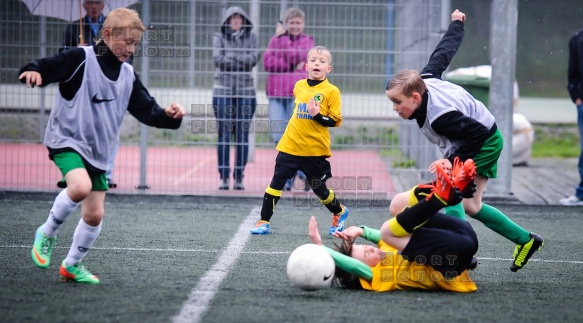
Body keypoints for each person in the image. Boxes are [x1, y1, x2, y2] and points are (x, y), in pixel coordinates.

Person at [19, 8, 185, 284]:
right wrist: (33, 72)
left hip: (99, 152)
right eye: (126, 42)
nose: (130, 48)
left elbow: (148, 111)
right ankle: (46, 233)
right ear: (106, 34)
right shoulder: (79, 57)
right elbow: (46, 66)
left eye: (134, 44)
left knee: (95, 215)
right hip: (67, 140)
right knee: (80, 187)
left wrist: (169, 116)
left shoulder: (128, 75)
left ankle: (71, 265)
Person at [385, 9, 543, 272]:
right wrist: (457, 24)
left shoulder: (440, 117)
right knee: (472, 205)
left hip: (484, 141)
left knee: (451, 192)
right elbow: (442, 54)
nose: (395, 108)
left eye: (397, 103)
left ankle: (460, 251)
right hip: (481, 138)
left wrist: (449, 163)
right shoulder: (424, 80)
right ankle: (526, 240)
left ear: (415, 98)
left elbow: (477, 134)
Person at [308, 161, 478, 292]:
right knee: (388, 230)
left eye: (368, 247)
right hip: (455, 256)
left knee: (396, 207)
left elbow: (380, 238)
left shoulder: (388, 248)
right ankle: (440, 197)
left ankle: (451, 193)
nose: (374, 249)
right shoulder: (379, 275)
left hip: (464, 233)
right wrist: (321, 248)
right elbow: (355, 266)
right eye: (368, 254)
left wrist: (362, 231)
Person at [250, 46, 349, 235]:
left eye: (322, 61)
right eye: (313, 60)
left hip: (314, 151)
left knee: (320, 191)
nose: (317, 63)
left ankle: (339, 211)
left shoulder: (332, 91)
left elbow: (335, 121)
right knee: (276, 183)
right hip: (290, 146)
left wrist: (317, 115)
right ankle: (263, 221)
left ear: (329, 68)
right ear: (306, 66)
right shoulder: (299, 86)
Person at [59, 0, 121, 189]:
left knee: (109, 131)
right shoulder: (73, 28)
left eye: (97, 3)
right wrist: (77, 50)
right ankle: (74, 174)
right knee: (78, 131)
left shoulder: (113, 29)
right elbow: (62, 54)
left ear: (103, 6)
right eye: (89, 3)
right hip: (82, 90)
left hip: (107, 88)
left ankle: (106, 173)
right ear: (84, 6)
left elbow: (120, 54)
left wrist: (91, 50)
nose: (93, 6)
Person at [263, 7, 314, 191]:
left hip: (297, 97)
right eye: (291, 23)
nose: (294, 26)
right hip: (277, 93)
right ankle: (288, 175)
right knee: (279, 136)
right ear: (286, 24)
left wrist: (287, 55)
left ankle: (301, 173)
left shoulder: (308, 41)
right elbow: (268, 62)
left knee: (297, 136)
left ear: (303, 24)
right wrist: (293, 65)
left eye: (297, 23)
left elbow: (304, 60)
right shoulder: (275, 39)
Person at [212, 6, 259, 190]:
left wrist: (230, 57)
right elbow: (218, 59)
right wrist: (241, 58)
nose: (236, 21)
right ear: (228, 21)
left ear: (244, 20)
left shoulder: (252, 37)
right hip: (222, 91)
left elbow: (254, 59)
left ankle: (239, 177)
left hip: (246, 92)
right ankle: (223, 177)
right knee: (224, 135)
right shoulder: (219, 37)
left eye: (239, 18)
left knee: (242, 136)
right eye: (233, 18)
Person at [562, 28, 583, 206]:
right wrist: (576, 97)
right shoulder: (577, 39)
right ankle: (582, 193)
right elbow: (572, 72)